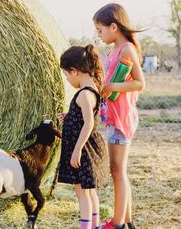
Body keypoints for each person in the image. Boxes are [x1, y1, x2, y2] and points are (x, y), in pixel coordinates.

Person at [93, 3, 145, 229]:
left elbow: (140, 83)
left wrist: (113, 85)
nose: (99, 34)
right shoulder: (115, 50)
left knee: (117, 170)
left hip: (122, 118)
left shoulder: (126, 49)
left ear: (114, 26)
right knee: (119, 171)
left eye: (100, 30)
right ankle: (128, 221)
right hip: (113, 117)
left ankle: (117, 224)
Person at [57, 44, 109, 229]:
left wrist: (77, 150)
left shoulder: (84, 94)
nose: (67, 79)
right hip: (88, 148)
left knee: (82, 193)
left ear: (74, 71)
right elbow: (83, 119)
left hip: (84, 150)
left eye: (66, 75)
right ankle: (95, 225)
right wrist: (69, 118)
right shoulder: (91, 90)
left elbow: (89, 123)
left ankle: (86, 227)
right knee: (89, 191)